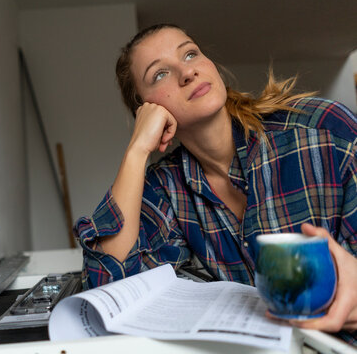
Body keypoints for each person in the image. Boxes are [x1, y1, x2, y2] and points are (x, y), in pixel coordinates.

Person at [74, 24, 357, 340]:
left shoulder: (324, 133)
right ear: (145, 110)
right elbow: (110, 290)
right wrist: (137, 150)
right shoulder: (167, 186)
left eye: (190, 53)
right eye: (159, 74)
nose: (187, 72)